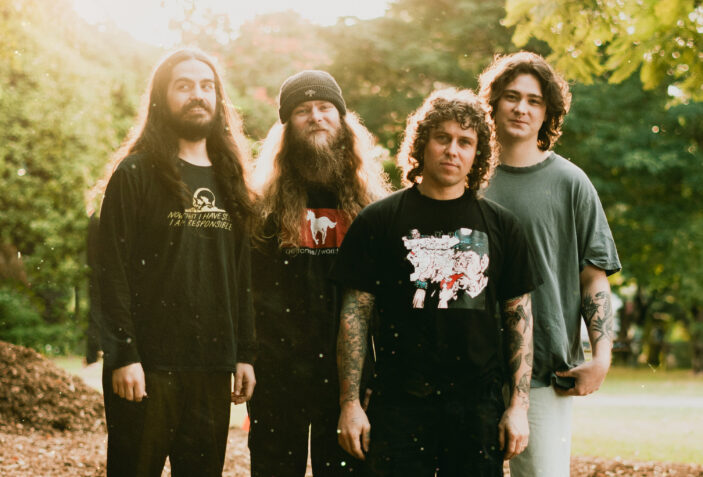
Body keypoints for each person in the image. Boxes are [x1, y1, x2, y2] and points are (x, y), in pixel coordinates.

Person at [332, 88, 540, 476]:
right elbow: (354, 316)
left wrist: (518, 406)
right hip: (399, 403)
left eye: (465, 142)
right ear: (422, 143)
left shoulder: (503, 226)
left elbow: (519, 319)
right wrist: (350, 404)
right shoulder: (378, 221)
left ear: (477, 153)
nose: (452, 150)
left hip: (477, 407)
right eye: (442, 137)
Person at [97, 48, 256, 476]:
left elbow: (241, 275)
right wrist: (123, 355)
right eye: (183, 86)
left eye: (206, 86)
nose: (197, 95)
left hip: (211, 365)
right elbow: (111, 270)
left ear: (218, 98)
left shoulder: (231, 179)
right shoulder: (135, 173)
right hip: (146, 367)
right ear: (161, 98)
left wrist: (244, 353)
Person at [479, 51, 621, 477]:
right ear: (493, 103)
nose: (521, 108)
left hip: (546, 372)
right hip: (468, 370)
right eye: (511, 96)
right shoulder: (465, 179)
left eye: (534, 100)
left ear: (547, 113)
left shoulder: (570, 182)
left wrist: (601, 356)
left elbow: (593, 277)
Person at [247, 70, 389, 476]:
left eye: (325, 107)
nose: (315, 117)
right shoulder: (263, 206)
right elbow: (248, 289)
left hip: (348, 376)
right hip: (277, 372)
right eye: (302, 110)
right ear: (287, 126)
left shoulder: (371, 205)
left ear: (342, 119)